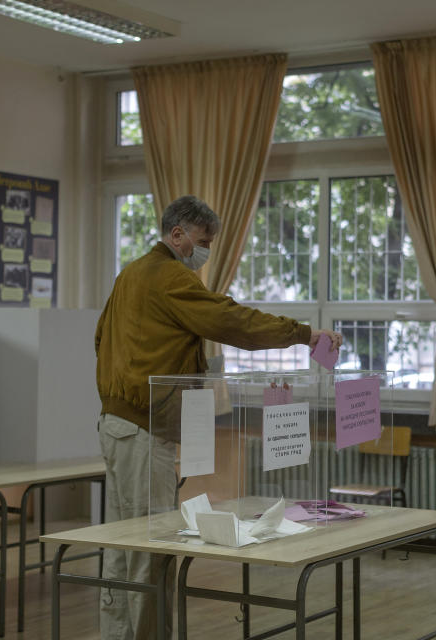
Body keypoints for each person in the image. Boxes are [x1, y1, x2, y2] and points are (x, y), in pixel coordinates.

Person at [94, 194, 341, 640]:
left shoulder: (129, 274)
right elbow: (232, 321)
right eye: (202, 241)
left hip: (116, 425)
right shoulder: (169, 276)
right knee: (149, 551)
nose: (204, 251)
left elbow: (100, 340)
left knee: (121, 544)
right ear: (177, 235)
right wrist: (303, 334)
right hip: (144, 428)